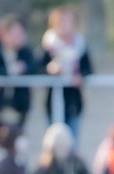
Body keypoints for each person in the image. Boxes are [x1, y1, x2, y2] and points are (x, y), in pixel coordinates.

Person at [0, 13, 39, 140]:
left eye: (21, 33)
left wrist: (24, 68)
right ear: (3, 34)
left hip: (18, 109)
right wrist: (8, 71)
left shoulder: (26, 51)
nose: (19, 37)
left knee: (17, 145)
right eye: (15, 33)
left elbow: (36, 67)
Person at [39, 5, 93, 141]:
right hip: (53, 101)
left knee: (72, 141)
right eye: (62, 22)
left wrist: (80, 77)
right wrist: (50, 69)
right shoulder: (48, 46)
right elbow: (39, 67)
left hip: (73, 102)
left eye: (69, 22)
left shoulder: (80, 45)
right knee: (54, 141)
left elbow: (88, 69)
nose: (66, 26)